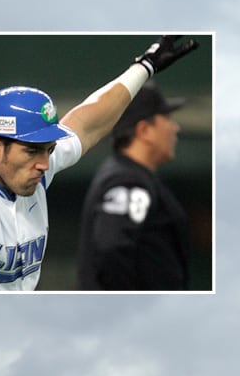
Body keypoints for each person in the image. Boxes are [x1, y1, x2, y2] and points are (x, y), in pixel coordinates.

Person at [0, 35, 198, 291]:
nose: (45, 163)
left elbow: (87, 124)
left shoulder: (31, 168)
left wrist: (144, 66)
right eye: (32, 151)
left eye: (48, 149)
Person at [76, 81, 191, 290]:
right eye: (167, 119)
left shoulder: (131, 175)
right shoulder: (127, 181)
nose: (175, 128)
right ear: (145, 130)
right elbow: (110, 250)